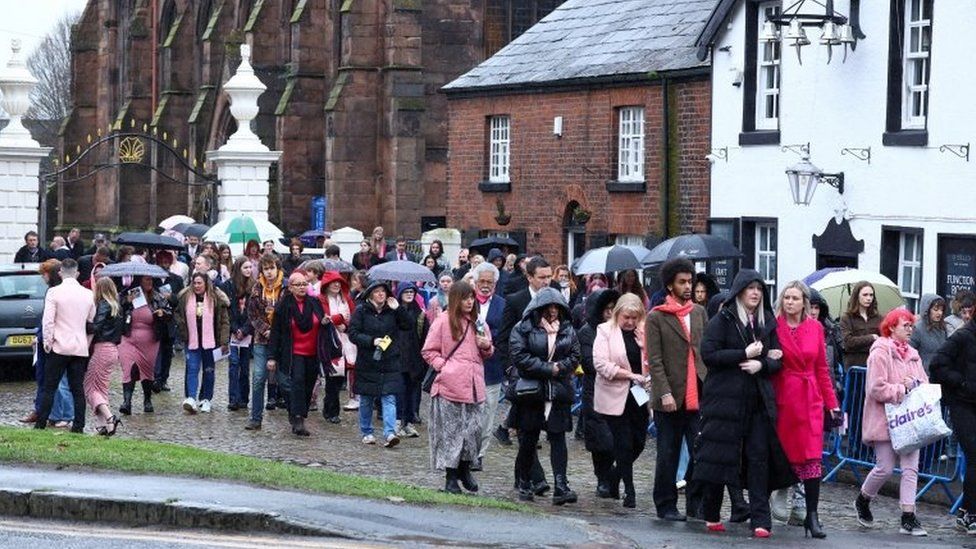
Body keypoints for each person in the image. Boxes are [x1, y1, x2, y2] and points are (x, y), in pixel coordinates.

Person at [696, 269, 795, 538]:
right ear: (739, 291)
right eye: (750, 288)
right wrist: (743, 354)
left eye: (759, 289)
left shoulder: (766, 323)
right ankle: (712, 513)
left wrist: (761, 364)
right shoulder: (723, 319)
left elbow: (778, 360)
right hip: (724, 402)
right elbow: (709, 354)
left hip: (757, 402)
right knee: (721, 457)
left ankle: (761, 520)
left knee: (758, 458)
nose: (755, 293)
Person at [771, 281, 840, 539]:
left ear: (805, 303)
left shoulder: (815, 328)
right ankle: (776, 498)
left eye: (795, 298)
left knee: (812, 458)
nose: (790, 302)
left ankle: (812, 515)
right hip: (784, 396)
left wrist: (831, 402)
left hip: (810, 396)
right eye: (786, 297)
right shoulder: (774, 326)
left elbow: (822, 367)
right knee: (782, 454)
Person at [853, 308, 929, 537]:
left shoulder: (914, 354)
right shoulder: (880, 352)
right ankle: (863, 499)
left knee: (910, 469)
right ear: (892, 326)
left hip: (910, 420)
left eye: (911, 325)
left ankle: (908, 516)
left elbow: (924, 382)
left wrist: (914, 383)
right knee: (885, 468)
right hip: (884, 419)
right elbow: (875, 388)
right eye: (905, 325)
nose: (910, 329)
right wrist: (901, 388)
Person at [645, 258, 707, 520]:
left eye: (690, 281)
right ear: (670, 285)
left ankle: (696, 502)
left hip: (698, 393)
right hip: (669, 395)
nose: (688, 286)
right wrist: (664, 392)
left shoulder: (699, 313)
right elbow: (654, 359)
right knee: (668, 453)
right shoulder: (657, 317)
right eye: (682, 282)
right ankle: (665, 503)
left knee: (700, 451)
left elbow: (704, 351)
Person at [509, 287, 581, 504]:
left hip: (558, 390)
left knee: (558, 438)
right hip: (532, 390)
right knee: (529, 439)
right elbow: (520, 357)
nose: (552, 312)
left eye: (556, 307)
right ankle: (524, 481)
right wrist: (548, 368)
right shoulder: (522, 329)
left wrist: (561, 367)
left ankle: (561, 485)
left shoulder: (567, 329)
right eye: (548, 307)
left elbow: (575, 354)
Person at [422, 281, 493, 493]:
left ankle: (464, 469)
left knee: (472, 432)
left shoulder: (478, 323)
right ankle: (450, 476)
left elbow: (488, 351)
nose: (470, 302)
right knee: (451, 433)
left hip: (474, 385)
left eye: (472, 297)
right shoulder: (443, 321)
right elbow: (429, 350)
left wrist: (486, 346)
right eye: (465, 298)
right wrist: (444, 367)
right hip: (449, 386)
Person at [495, 256, 553, 488]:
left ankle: (524, 477)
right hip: (522, 373)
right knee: (526, 427)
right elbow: (504, 337)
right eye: (542, 277)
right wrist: (510, 368)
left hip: (548, 371)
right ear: (529, 277)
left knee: (538, 427)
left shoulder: (555, 299)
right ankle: (535, 478)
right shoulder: (516, 300)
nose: (547, 281)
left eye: (549, 276)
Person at [592, 293, 651, 509]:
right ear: (618, 314)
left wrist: (644, 346)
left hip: (639, 395)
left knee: (639, 443)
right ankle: (630, 490)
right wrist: (629, 375)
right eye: (627, 317)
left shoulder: (643, 331)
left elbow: (652, 360)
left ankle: (615, 475)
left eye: (635, 318)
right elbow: (601, 364)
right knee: (624, 443)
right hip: (615, 394)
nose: (630, 322)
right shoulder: (605, 331)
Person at [930, 301, 976, 534]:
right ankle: (970, 514)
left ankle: (966, 511)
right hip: (962, 403)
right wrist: (961, 382)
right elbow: (937, 364)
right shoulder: (963, 336)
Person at [348, 280, 412, 447]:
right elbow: (353, 334)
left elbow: (408, 325)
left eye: (383, 291)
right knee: (366, 399)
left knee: (389, 397)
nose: (381, 294)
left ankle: (390, 433)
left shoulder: (392, 310)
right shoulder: (361, 310)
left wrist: (398, 308)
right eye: (377, 291)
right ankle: (367, 432)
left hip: (389, 360)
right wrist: (371, 341)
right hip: (368, 361)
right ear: (370, 294)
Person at [33, 258, 93, 433]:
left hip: (59, 346)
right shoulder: (88, 294)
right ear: (77, 273)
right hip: (79, 346)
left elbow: (48, 322)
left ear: (60, 273)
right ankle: (78, 425)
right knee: (77, 389)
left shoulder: (53, 292)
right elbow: (91, 324)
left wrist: (47, 344)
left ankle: (41, 423)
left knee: (49, 387)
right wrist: (86, 343)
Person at [267, 271, 329, 436]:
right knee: (297, 383)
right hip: (294, 352)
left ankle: (297, 413)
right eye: (298, 285)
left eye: (304, 284)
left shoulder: (314, 302)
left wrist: (325, 322)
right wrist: (272, 356)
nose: (302, 287)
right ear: (290, 288)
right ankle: (298, 419)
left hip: (312, 352)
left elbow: (322, 321)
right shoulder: (284, 306)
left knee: (309, 385)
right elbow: (276, 332)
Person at [577, 287, 619, 496]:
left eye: (614, 309)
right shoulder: (587, 332)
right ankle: (602, 477)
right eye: (607, 309)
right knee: (600, 440)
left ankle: (612, 476)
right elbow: (588, 363)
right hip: (595, 390)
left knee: (617, 439)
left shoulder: (622, 330)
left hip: (619, 390)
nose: (611, 313)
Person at [468, 262, 507, 471]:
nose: (485, 285)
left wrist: (489, 340)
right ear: (475, 281)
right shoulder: (466, 301)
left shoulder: (502, 305)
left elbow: (506, 333)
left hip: (492, 367)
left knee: (487, 413)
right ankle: (466, 450)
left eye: (489, 282)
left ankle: (479, 455)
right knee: (469, 411)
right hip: (467, 366)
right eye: (482, 281)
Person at [175, 272, 230, 414]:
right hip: (192, 340)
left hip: (211, 341)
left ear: (206, 283)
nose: (197, 286)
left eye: (200, 283)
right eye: (195, 283)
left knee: (209, 371)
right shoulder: (185, 298)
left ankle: (206, 399)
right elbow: (178, 314)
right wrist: (182, 330)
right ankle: (191, 398)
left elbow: (224, 321)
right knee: (192, 369)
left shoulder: (215, 299)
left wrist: (224, 341)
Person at [118, 275, 171, 415]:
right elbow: (117, 308)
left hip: (150, 339)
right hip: (128, 336)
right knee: (129, 367)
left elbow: (169, 313)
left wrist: (162, 312)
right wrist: (125, 302)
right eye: (146, 280)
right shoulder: (132, 294)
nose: (150, 282)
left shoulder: (157, 296)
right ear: (139, 281)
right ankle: (127, 402)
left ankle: (147, 400)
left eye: (151, 280)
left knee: (146, 370)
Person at [245, 254, 286, 430]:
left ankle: (295, 417)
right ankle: (255, 417)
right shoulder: (256, 289)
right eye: (266, 269)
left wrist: (276, 332)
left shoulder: (286, 288)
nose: (269, 272)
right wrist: (265, 330)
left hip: (282, 340)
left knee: (285, 379)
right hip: (261, 339)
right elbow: (252, 314)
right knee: (259, 377)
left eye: (272, 268)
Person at [84, 277, 125, 436]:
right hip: (113, 350)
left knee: (90, 387)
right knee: (101, 388)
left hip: (101, 349)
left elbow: (96, 327)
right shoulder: (117, 307)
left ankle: (109, 418)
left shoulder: (103, 305)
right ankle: (102, 426)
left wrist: (82, 322)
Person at [319, 271, 357, 423]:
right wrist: (338, 319)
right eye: (333, 282)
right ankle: (331, 410)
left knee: (340, 378)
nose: (336, 285)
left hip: (346, 341)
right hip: (329, 341)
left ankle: (331, 409)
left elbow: (354, 318)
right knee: (332, 378)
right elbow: (322, 319)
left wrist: (345, 325)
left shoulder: (346, 300)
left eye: (339, 282)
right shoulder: (321, 300)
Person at [395, 283, 427, 438]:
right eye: (406, 292)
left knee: (411, 392)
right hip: (397, 357)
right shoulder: (393, 311)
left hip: (414, 357)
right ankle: (397, 422)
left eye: (412, 292)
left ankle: (408, 421)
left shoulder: (419, 313)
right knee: (398, 391)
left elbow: (424, 336)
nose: (409, 294)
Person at [223, 257, 255, 410]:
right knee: (234, 364)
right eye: (245, 267)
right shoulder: (228, 286)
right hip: (233, 331)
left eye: (250, 267)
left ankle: (244, 398)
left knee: (245, 365)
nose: (249, 270)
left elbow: (254, 311)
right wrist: (235, 329)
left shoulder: (255, 286)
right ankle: (233, 398)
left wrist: (246, 329)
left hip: (248, 331)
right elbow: (227, 311)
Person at [152, 251, 184, 393]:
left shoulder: (176, 279)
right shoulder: (152, 278)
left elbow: (181, 300)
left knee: (167, 351)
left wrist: (171, 296)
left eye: (167, 262)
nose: (164, 264)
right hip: (155, 319)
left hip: (170, 320)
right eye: (162, 261)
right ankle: (156, 378)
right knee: (156, 350)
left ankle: (164, 379)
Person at [840, 281, 882, 370]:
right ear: (857, 296)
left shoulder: (878, 318)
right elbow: (848, 343)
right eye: (865, 295)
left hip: (874, 366)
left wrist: (859, 344)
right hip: (854, 368)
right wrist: (872, 337)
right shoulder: (847, 318)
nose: (869, 298)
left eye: (871, 295)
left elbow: (883, 341)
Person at [910, 294, 947, 371]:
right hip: (924, 374)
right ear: (927, 310)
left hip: (940, 373)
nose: (939, 313)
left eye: (941, 310)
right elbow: (910, 355)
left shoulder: (943, 328)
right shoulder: (917, 329)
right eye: (936, 309)